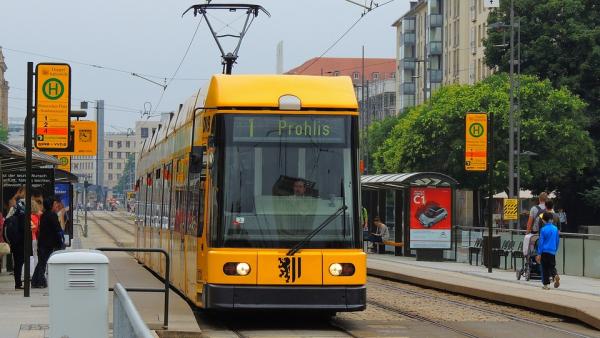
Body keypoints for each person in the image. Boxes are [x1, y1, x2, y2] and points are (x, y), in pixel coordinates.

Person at [31, 196, 63, 288]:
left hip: (42, 242)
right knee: (43, 262)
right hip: (48, 243)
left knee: (41, 261)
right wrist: (60, 242)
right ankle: (40, 282)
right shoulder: (52, 215)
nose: (56, 205)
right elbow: (57, 229)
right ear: (51, 204)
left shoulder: (44, 215)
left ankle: (35, 281)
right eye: (54, 203)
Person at [4, 199, 27, 289]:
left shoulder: (12, 217)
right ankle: (18, 283)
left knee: (17, 264)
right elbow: (24, 231)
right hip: (21, 244)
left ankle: (17, 282)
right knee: (19, 264)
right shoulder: (22, 217)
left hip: (14, 244)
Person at [536, 212, 561, 290]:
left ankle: (546, 284)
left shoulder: (543, 229)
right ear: (551, 219)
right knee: (552, 266)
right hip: (552, 251)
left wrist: (539, 253)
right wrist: (555, 249)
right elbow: (557, 240)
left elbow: (541, 242)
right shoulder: (555, 229)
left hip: (544, 251)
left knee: (544, 268)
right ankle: (555, 275)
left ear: (544, 220)